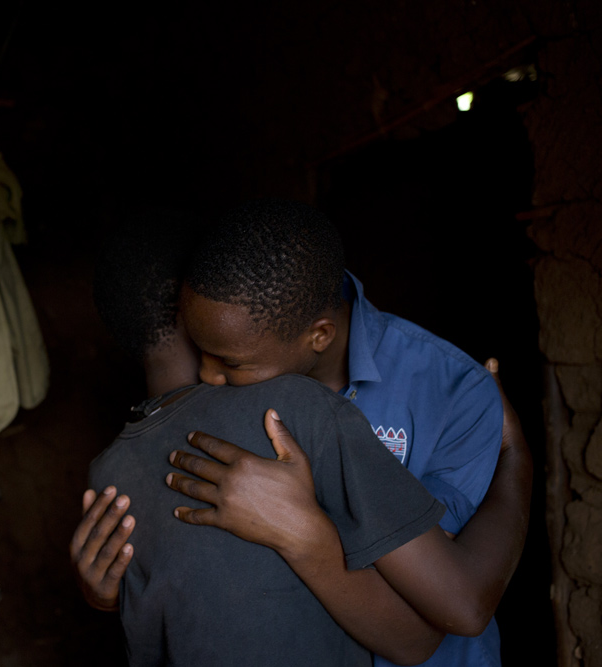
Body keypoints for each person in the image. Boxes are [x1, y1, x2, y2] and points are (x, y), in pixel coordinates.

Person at [72, 208, 450, 666]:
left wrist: (105, 600)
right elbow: (421, 638)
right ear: (195, 299)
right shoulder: (293, 411)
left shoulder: (108, 477)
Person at [163, 199, 531, 666]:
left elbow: (447, 601)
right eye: (202, 353)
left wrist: (301, 530)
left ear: (319, 335)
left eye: (230, 362)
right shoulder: (233, 388)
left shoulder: (453, 391)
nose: (207, 376)